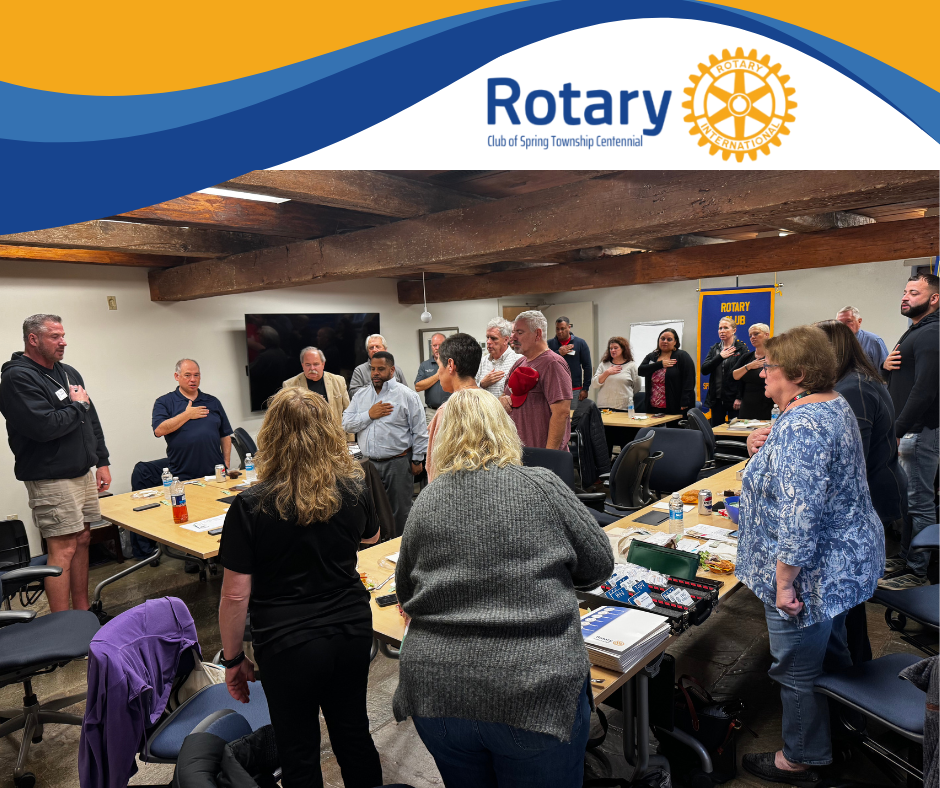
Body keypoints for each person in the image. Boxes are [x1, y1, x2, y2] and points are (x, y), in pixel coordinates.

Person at [392, 388, 614, 788]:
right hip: (533, 693)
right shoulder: (541, 484)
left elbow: (406, 595)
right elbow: (599, 563)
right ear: (505, 429)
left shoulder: (427, 500)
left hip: (436, 694)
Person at [737, 326, 883, 783]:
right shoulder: (827, 403)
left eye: (770, 366)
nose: (762, 373)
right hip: (844, 564)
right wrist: (760, 444)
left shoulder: (802, 425)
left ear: (797, 374)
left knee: (795, 667)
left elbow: (801, 516)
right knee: (829, 648)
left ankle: (801, 757)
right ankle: (841, 726)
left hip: (813, 573)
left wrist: (783, 581)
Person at [218, 387, 382, 788]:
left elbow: (235, 595)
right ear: (328, 432)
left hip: (287, 643)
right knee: (354, 734)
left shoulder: (251, 505)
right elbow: (371, 537)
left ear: (271, 435)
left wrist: (232, 658)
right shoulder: (354, 486)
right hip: (350, 631)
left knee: (298, 749)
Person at [0, 314, 111, 613]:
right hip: (52, 477)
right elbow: (44, 427)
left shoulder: (68, 372)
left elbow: (91, 419)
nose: (63, 341)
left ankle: (84, 615)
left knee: (84, 539)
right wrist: (77, 405)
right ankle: (63, 627)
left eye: (63, 335)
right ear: (33, 339)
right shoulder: (16, 378)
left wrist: (101, 460)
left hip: (82, 472)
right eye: (54, 336)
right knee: (63, 548)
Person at [816, 319, 908, 661]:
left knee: (841, 598)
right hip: (870, 495)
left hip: (864, 501)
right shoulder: (857, 380)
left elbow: (849, 462)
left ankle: (847, 681)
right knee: (848, 600)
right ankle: (857, 667)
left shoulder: (852, 388)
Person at [883, 273, 939, 589]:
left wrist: (898, 429)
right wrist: (884, 367)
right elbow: (897, 377)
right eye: (905, 291)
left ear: (934, 298)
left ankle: (917, 574)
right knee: (908, 503)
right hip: (909, 433)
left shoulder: (932, 334)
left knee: (920, 503)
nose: (905, 296)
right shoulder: (916, 331)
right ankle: (906, 559)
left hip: (919, 432)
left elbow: (925, 390)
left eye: (914, 292)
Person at [342, 351, 428, 535]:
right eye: (373, 369)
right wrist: (369, 415)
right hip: (367, 464)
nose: (375, 373)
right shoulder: (361, 396)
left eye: (381, 369)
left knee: (399, 512)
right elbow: (346, 424)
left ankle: (398, 553)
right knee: (370, 511)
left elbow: (419, 430)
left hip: (397, 463)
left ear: (392, 370)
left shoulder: (407, 396)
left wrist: (417, 460)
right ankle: (376, 550)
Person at [498, 311, 572, 450]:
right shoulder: (520, 362)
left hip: (541, 458)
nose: (513, 337)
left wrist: (548, 457)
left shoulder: (553, 364)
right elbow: (505, 395)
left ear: (537, 334)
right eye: (513, 332)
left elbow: (561, 413)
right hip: (519, 454)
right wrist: (501, 401)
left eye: (519, 332)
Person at [152, 359, 233, 480]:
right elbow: (159, 430)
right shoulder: (164, 402)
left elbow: (225, 434)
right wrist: (187, 415)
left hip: (215, 473)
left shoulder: (212, 401)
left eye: (196, 375)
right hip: (183, 474)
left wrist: (226, 462)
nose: (193, 379)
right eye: (187, 375)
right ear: (177, 376)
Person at [425, 333, 481, 482]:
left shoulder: (447, 412)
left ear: (450, 365)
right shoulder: (493, 404)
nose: (438, 373)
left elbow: (435, 468)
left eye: (439, 367)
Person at [282, 346, 350, 430]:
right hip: (305, 438)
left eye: (316, 364)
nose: (312, 368)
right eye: (308, 365)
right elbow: (287, 418)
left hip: (335, 436)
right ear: (302, 365)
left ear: (323, 364)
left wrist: (350, 440)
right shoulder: (289, 385)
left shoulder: (338, 381)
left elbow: (348, 413)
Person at [700, 317, 749, 426]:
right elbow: (704, 370)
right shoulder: (715, 349)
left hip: (733, 399)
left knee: (735, 430)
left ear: (734, 330)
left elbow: (743, 375)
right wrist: (720, 357)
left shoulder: (741, 349)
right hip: (716, 398)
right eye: (720, 328)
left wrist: (739, 397)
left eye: (726, 328)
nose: (722, 331)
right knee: (716, 430)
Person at [637, 329, 696, 416]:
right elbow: (641, 371)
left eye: (669, 339)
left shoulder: (682, 356)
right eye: (662, 339)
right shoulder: (652, 356)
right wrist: (660, 364)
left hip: (676, 405)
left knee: (673, 429)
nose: (665, 341)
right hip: (653, 406)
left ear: (675, 342)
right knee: (653, 429)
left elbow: (689, 380)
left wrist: (685, 401)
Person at [731, 323, 773, 420]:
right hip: (747, 404)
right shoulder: (747, 357)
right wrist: (749, 366)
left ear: (767, 335)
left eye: (756, 334)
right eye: (750, 336)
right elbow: (734, 375)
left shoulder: (775, 356)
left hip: (767, 403)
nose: (752, 337)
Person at [348, 334, 407, 399]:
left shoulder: (396, 369)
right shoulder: (359, 370)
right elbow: (352, 394)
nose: (374, 350)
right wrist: (375, 386)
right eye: (371, 348)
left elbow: (405, 392)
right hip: (369, 407)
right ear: (368, 352)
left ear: (385, 349)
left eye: (377, 347)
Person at [548, 316, 593, 402]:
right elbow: (544, 364)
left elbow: (587, 367)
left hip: (575, 389)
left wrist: (585, 388)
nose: (560, 332)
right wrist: (558, 353)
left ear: (569, 327)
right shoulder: (549, 344)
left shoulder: (580, 343)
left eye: (563, 328)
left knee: (573, 415)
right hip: (555, 389)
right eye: (557, 329)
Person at [476, 317, 522, 398]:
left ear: (506, 340)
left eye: (493, 338)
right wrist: (482, 384)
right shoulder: (482, 361)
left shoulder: (518, 361)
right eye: (487, 337)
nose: (489, 342)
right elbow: (473, 391)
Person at [591, 336, 640, 411]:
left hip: (624, 407)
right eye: (611, 348)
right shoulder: (604, 364)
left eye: (616, 348)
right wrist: (607, 372)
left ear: (623, 349)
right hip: (604, 406)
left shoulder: (631, 365)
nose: (613, 350)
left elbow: (637, 387)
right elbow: (595, 383)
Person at [836, 305, 889, 371]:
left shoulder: (873, 341)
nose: (843, 326)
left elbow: (885, 371)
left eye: (848, 321)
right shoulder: (834, 342)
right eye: (840, 322)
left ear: (859, 321)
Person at [414, 332, 451, 425]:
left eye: (440, 345)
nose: (437, 348)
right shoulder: (425, 365)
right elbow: (418, 387)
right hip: (431, 412)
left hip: (451, 410)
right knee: (431, 439)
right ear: (431, 346)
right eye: (435, 345)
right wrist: (437, 375)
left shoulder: (452, 363)